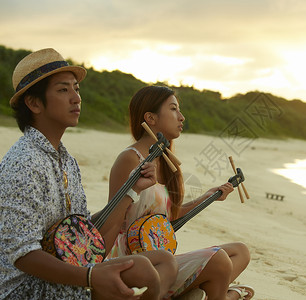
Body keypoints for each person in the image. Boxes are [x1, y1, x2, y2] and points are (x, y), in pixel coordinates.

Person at [0, 48, 177, 300]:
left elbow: (85, 232)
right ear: (34, 102)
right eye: (63, 90)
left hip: (69, 273)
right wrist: (90, 277)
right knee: (140, 275)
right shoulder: (23, 163)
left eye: (77, 89)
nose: (76, 98)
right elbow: (22, 255)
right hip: (27, 288)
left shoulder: (67, 161)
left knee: (159, 262)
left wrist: (131, 190)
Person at [107, 85, 254, 300]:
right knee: (220, 259)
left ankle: (206, 294)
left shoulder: (167, 164)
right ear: (151, 117)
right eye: (174, 109)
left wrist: (207, 197)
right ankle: (225, 296)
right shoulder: (130, 159)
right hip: (133, 260)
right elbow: (111, 219)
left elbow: (168, 218)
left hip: (161, 259)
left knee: (240, 251)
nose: (182, 117)